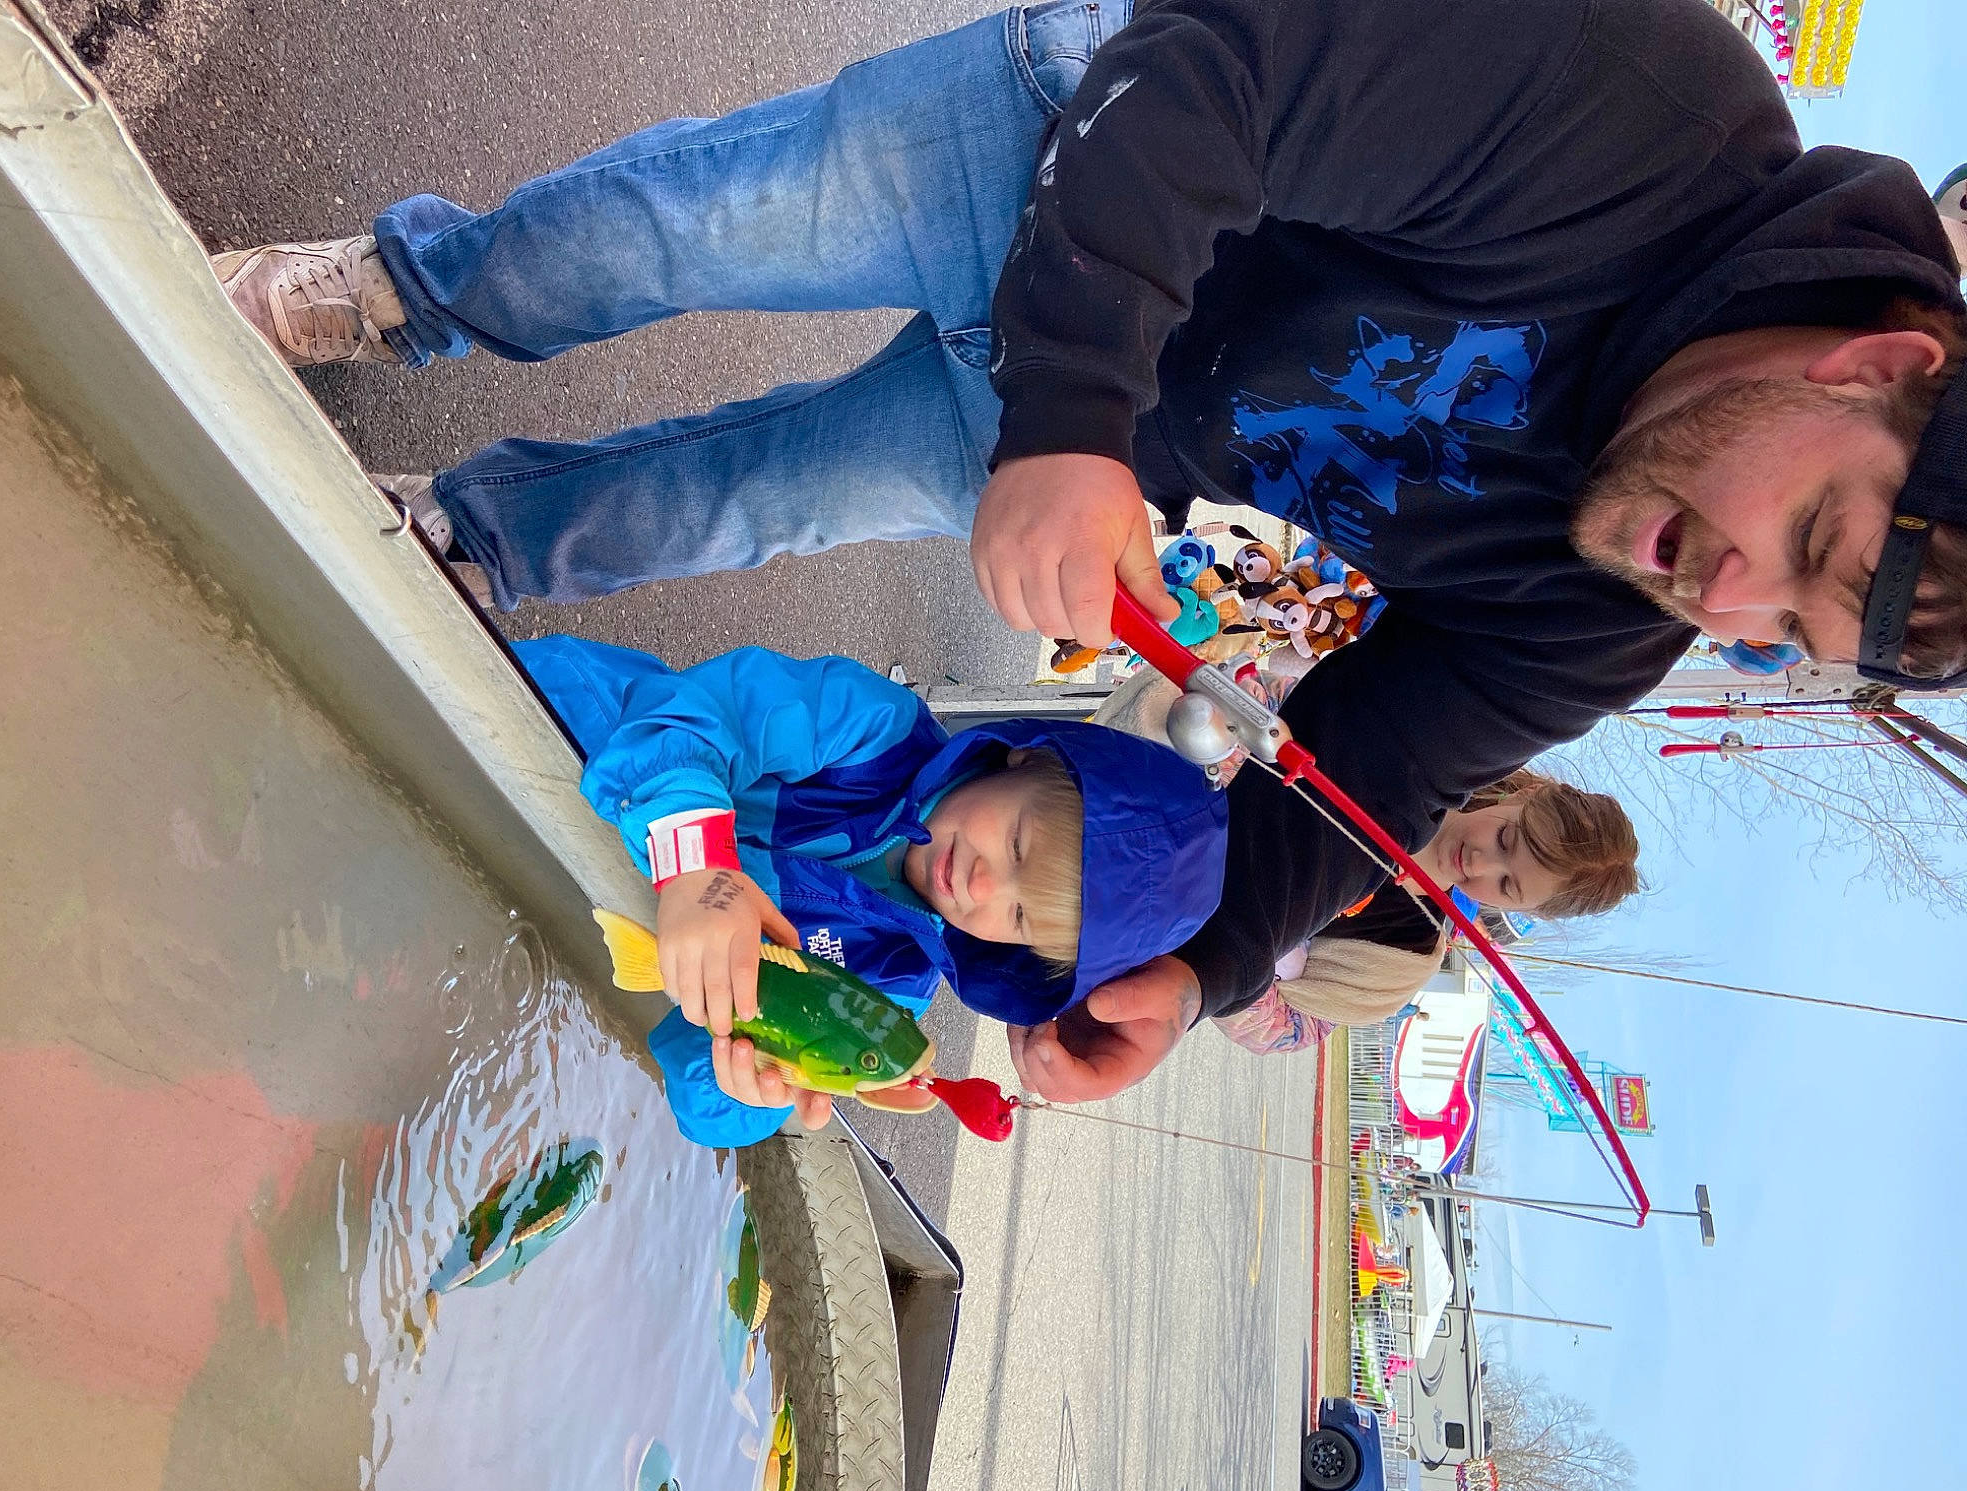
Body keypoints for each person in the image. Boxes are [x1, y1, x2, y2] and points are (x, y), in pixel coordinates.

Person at [211, 0, 1967, 1105]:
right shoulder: (1649, 103)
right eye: (1806, 531)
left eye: (1791, 625)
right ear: (1883, 362)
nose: (1727, 594)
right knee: (634, 243)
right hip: (1049, 147)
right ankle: (406, 289)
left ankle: (454, 546)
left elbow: (1366, 771)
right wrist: (1064, 408)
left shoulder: (1609, 622)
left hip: (1111, 439)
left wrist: (1193, 970)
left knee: (739, 502)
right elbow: (1220, 67)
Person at [508, 635, 1229, 1145]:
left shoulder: (893, 985)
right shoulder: (868, 726)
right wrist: (698, 862)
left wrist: (750, 1090)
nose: (981, 883)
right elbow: (703, 714)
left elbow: (677, 1079)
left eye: (1016, 915)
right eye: (1016, 844)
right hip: (552, 735)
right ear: (1018, 759)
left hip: (551, 911)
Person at [1215, 770, 1640, 1052]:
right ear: (1527, 795)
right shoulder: (1411, 763)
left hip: (1168, 935)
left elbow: (1284, 1030)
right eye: (1506, 840)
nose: (1480, 863)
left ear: (1525, 908)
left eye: (1508, 886)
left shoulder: (1403, 955)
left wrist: (1232, 962)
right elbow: (1269, 705)